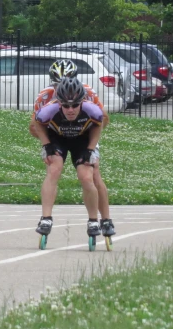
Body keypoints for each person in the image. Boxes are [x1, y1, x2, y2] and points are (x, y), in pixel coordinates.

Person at [28, 59, 115, 238]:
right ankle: (46, 218)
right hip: (56, 135)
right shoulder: (45, 97)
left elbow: (102, 120)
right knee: (54, 168)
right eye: (56, 82)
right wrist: (46, 145)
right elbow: (34, 125)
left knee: (91, 175)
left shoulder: (89, 94)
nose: (60, 86)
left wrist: (90, 148)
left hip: (83, 134)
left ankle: (105, 219)